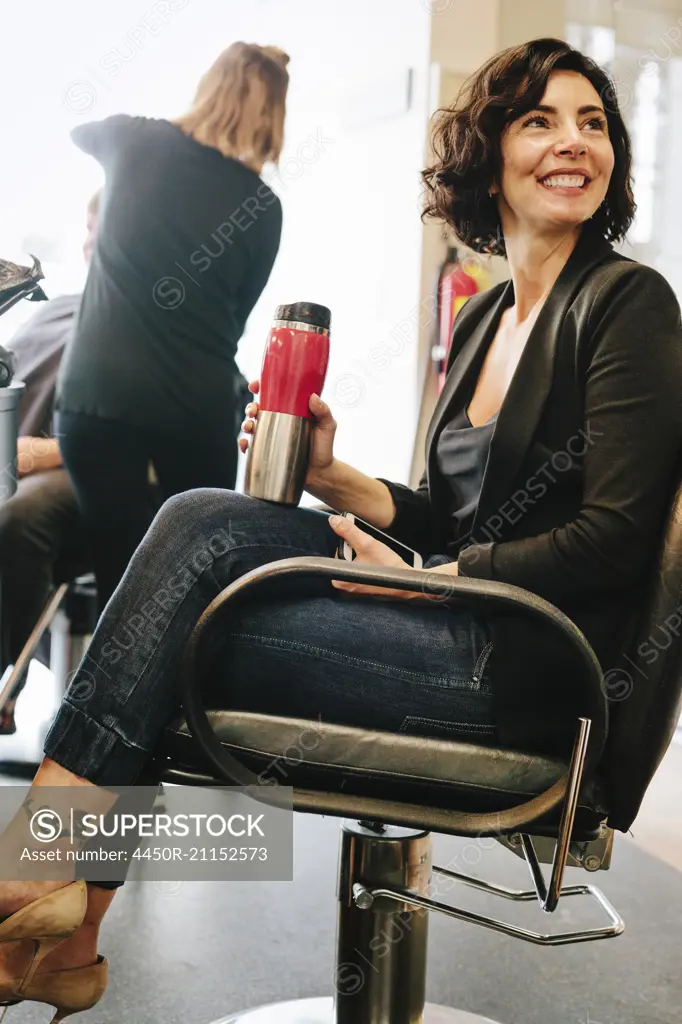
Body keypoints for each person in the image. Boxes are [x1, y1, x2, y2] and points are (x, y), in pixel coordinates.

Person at [1, 36, 682, 1020]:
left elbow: (611, 540)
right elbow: (450, 513)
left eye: (592, 122)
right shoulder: (492, 318)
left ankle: (44, 883)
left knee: (190, 588)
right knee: (201, 523)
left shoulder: (624, 306)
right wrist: (333, 476)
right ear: (488, 152)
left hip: (532, 674)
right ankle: (70, 928)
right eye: (539, 119)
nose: (572, 141)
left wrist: (438, 575)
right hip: (465, 624)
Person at [56, 42, 288, 611]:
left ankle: (107, 698)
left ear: (208, 88)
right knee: (194, 578)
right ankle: (183, 695)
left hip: (96, 397)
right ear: (272, 116)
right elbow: (237, 312)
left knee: (119, 577)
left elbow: (78, 132)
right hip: (195, 407)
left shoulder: (133, 139)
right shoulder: (262, 205)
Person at [0, 192, 101, 736]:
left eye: (105, 229)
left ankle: (7, 676)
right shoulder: (59, 307)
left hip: (92, 478)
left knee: (18, 512)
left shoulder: (167, 331)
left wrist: (37, 453)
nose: (92, 243)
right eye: (88, 229)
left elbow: (143, 441)